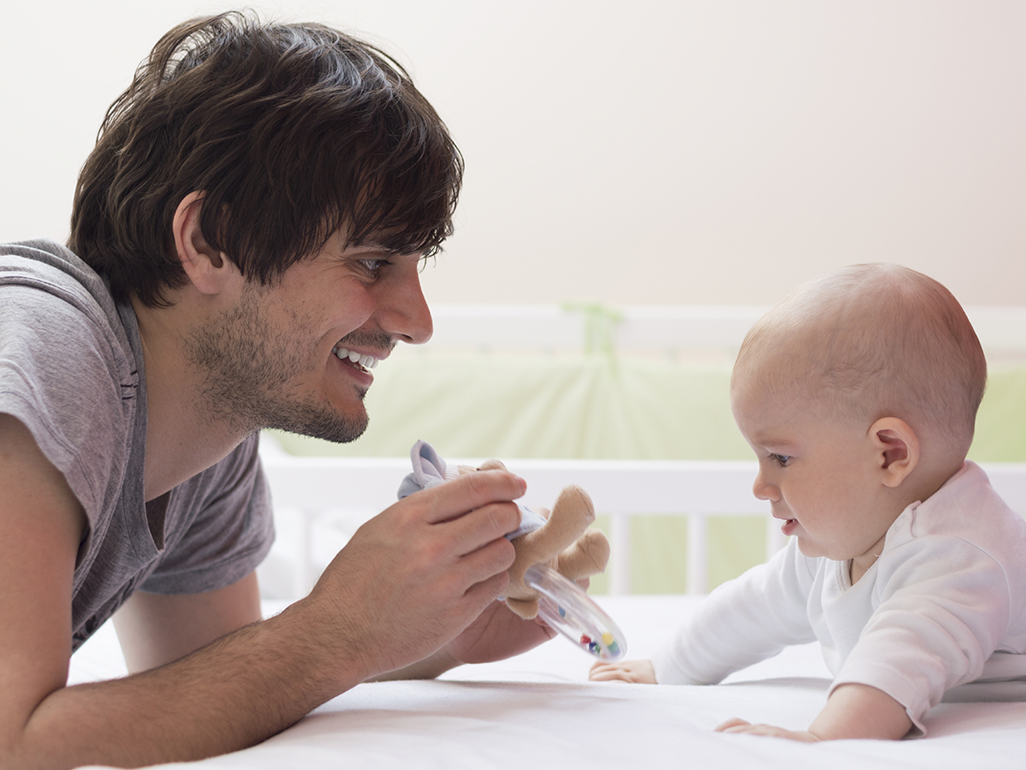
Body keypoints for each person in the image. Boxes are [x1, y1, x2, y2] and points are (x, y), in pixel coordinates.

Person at [0, 12, 554, 769]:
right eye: (371, 263)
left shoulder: (209, 427)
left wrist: (424, 635)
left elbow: (219, 684)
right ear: (208, 241)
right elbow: (12, 741)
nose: (416, 322)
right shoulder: (38, 355)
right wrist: (340, 628)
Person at [589, 263, 1026, 741]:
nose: (760, 485)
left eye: (780, 457)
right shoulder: (845, 538)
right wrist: (665, 666)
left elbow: (895, 667)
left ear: (889, 454)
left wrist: (823, 740)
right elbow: (752, 608)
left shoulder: (958, 558)